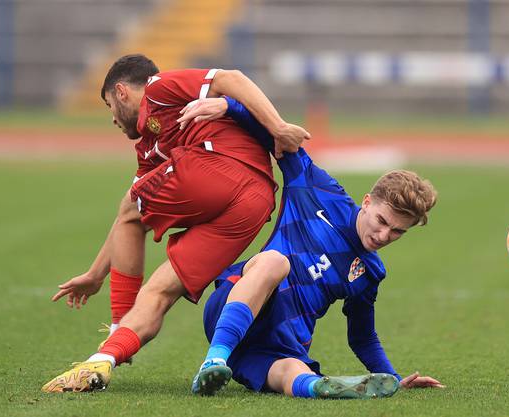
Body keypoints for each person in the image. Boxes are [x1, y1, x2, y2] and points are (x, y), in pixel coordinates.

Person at [41, 54, 310, 393]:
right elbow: (131, 218)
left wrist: (279, 127)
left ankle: (116, 327)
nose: (112, 118)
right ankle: (104, 359)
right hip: (254, 204)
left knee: (129, 205)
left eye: (110, 105)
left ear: (121, 91)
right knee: (158, 291)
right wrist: (97, 273)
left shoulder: (158, 88)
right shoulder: (149, 150)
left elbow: (233, 78)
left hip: (220, 165)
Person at [186, 97, 443, 399]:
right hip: (236, 302)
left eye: (398, 231)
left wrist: (395, 380)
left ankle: (322, 387)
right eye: (382, 221)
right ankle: (214, 358)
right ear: (368, 202)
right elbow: (276, 136)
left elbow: (362, 337)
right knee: (274, 262)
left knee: (294, 371)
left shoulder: (369, 272)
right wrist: (231, 106)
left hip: (278, 344)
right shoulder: (319, 190)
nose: (385, 235)